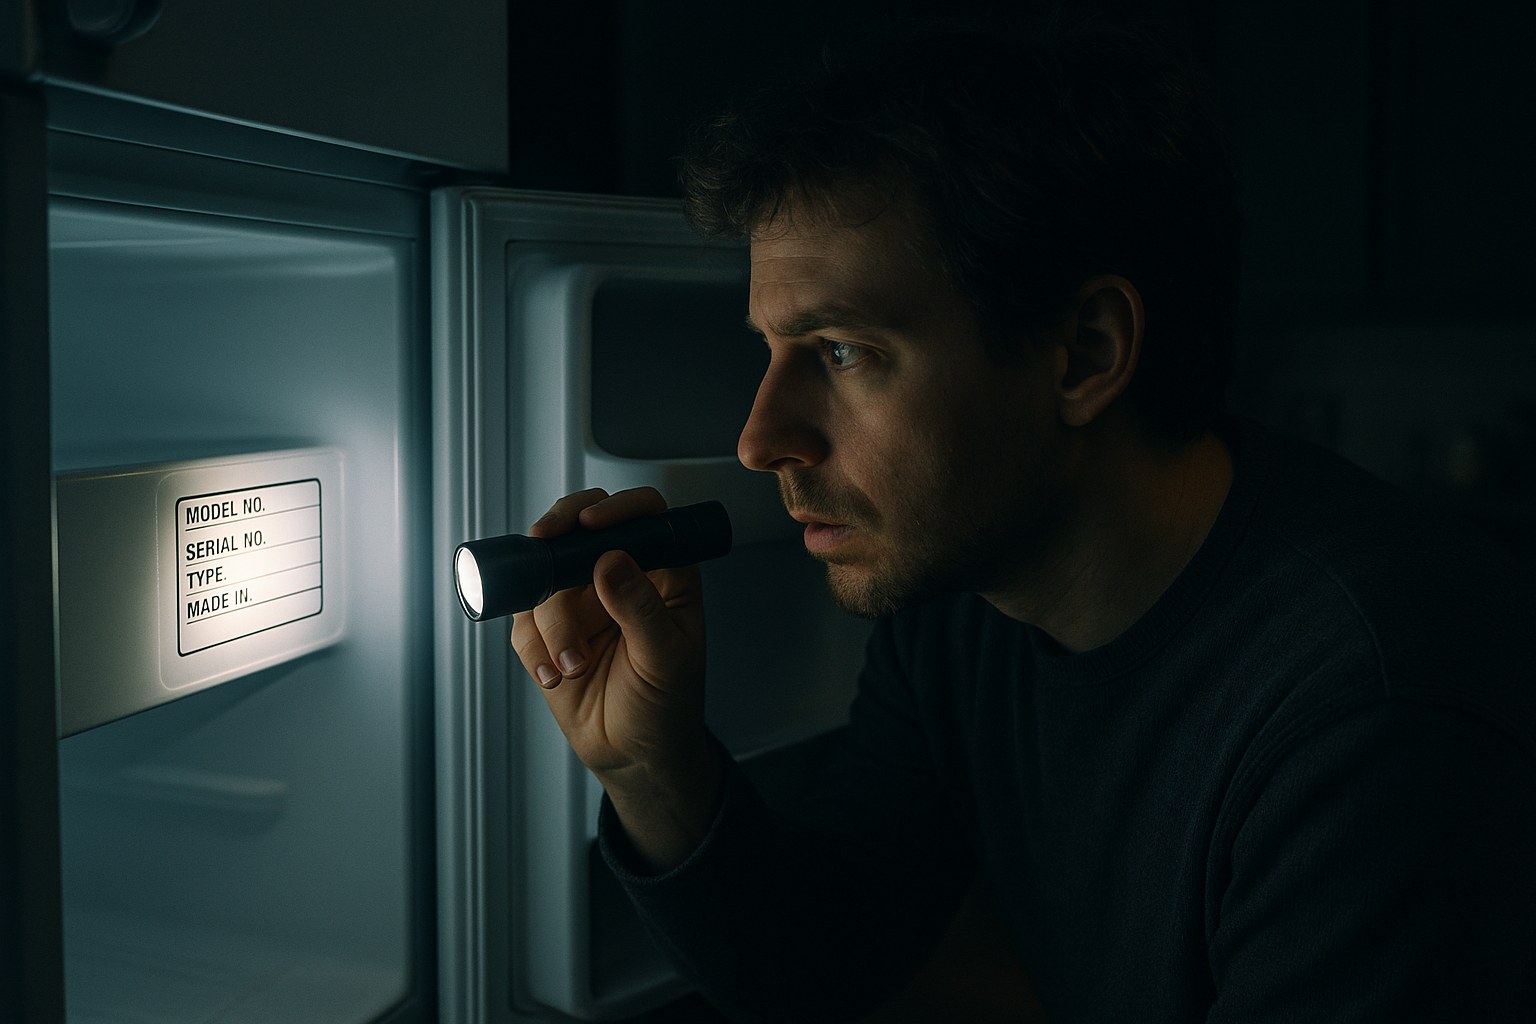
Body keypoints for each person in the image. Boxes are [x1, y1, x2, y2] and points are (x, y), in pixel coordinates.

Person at [511, 14, 1536, 1023]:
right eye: (770, 351)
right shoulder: (964, 606)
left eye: (841, 352)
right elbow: (825, 957)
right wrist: (652, 764)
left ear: (1085, 352)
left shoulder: (1372, 713)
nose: (759, 438)